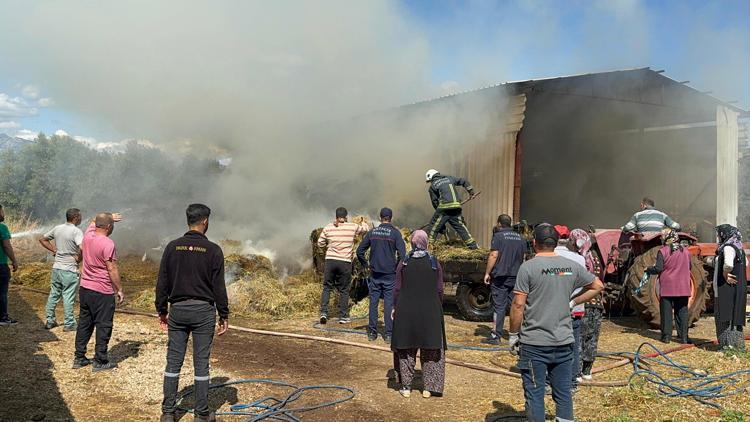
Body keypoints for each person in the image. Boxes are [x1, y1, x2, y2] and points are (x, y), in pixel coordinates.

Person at [509, 224, 604, 422]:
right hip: (563, 341)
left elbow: (518, 304)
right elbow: (597, 285)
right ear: (555, 243)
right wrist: (574, 301)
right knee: (563, 394)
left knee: (535, 394)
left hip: (535, 343)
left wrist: (513, 334)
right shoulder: (570, 267)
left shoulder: (528, 268)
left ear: (534, 243)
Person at [156, 204, 229, 422]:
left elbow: (162, 282)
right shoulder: (213, 250)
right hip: (203, 312)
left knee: (173, 361)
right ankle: (202, 414)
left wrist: (161, 309)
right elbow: (219, 287)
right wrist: (224, 314)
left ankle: (168, 412)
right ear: (205, 221)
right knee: (201, 362)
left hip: (177, 310)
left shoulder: (172, 247)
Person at [391, 230, 446, 399]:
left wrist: (394, 306)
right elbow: (439, 289)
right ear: (426, 242)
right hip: (430, 310)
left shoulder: (404, 263)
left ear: (412, 243)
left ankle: (406, 387)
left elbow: (397, 288)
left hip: (406, 310)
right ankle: (428, 388)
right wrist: (437, 306)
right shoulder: (434, 262)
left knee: (406, 349)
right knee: (431, 349)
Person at [73, 212, 124, 371]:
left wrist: (107, 215)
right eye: (112, 224)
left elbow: (93, 220)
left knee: (84, 323)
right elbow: (112, 268)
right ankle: (100, 361)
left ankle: (79, 357)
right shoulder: (108, 243)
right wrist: (119, 289)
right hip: (102, 291)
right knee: (104, 325)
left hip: (85, 288)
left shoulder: (87, 236)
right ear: (109, 227)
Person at [356, 207, 406, 343]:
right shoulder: (395, 233)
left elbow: (359, 251)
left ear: (380, 218)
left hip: (375, 274)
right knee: (389, 304)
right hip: (390, 274)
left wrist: (365, 265)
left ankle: (372, 333)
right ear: (391, 218)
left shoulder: (373, 232)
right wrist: (397, 269)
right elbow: (403, 255)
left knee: (373, 302)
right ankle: (388, 334)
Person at [317, 207, 369, 324]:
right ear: (346, 217)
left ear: (336, 217)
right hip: (345, 262)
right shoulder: (352, 227)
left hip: (330, 261)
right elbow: (365, 230)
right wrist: (364, 222)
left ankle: (324, 313)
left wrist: (329, 245)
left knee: (327, 287)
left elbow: (320, 243)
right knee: (344, 290)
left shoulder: (329, 227)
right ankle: (343, 316)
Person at [483, 214, 526, 345]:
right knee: (517, 306)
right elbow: (523, 257)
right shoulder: (520, 237)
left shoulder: (498, 236)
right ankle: (518, 335)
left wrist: (487, 273)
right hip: (517, 276)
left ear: (499, 223)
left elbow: (494, 254)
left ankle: (496, 336)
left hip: (501, 276)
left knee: (499, 307)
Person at [39, 208, 84, 331]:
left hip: (57, 268)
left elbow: (42, 239)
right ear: (75, 217)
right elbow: (83, 248)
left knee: (54, 295)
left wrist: (54, 250)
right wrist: (79, 259)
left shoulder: (58, 228)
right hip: (69, 269)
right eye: (80, 217)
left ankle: (50, 321)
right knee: (68, 296)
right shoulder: (76, 231)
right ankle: (69, 323)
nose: (81, 219)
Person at [553, 226, 586, 389]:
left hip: (553, 310)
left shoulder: (551, 257)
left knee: (551, 345)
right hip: (575, 309)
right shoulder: (580, 259)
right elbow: (589, 284)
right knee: (573, 345)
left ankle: (548, 381)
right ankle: (572, 381)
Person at [645, 229, 692, 344]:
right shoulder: (686, 251)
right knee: (682, 313)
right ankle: (684, 337)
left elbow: (658, 268)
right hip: (683, 287)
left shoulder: (663, 251)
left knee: (666, 313)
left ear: (666, 238)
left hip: (668, 287)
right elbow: (689, 266)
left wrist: (648, 269)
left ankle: (666, 337)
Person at [568, 228, 604, 382]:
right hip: (597, 303)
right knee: (592, 337)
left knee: (578, 338)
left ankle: (575, 372)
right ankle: (587, 371)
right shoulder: (595, 257)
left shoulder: (577, 259)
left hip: (583, 302)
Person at [713, 224, 747, 350]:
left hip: (725, 290)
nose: (718, 237)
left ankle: (727, 346)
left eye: (719, 234)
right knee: (734, 317)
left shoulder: (728, 247)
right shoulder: (738, 247)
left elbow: (728, 263)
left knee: (724, 316)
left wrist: (725, 273)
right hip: (736, 290)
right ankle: (736, 345)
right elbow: (745, 264)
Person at [425, 169, 478, 249]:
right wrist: (471, 192)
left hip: (444, 208)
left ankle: (428, 247)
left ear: (431, 178)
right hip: (456, 207)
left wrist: (439, 216)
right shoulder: (450, 178)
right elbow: (464, 181)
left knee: (433, 226)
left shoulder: (433, 186)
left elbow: (435, 202)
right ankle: (473, 246)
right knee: (460, 227)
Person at [0, 204, 19, 326]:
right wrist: (14, 260)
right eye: (2, 210)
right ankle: (3, 317)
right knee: (2, 292)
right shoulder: (2, 228)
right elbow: (7, 246)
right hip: (0, 265)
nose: (3, 213)